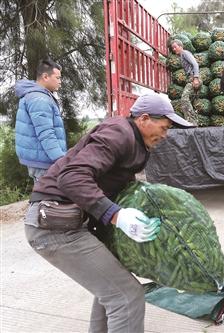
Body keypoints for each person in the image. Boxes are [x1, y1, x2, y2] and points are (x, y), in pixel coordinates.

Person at [24, 93, 194, 332]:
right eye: (164, 128)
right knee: (127, 297)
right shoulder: (119, 134)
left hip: (70, 223)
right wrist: (116, 215)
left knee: (111, 289)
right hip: (54, 225)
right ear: (144, 119)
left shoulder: (135, 141)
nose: (165, 135)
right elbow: (72, 177)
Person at [15, 58, 66, 182]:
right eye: (58, 78)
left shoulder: (37, 95)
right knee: (46, 198)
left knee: (44, 196)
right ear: (45, 77)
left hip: (41, 158)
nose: (60, 82)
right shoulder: (39, 99)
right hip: (44, 161)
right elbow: (46, 133)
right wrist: (61, 160)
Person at [171, 39, 201, 126]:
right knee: (192, 101)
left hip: (194, 79)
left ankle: (192, 122)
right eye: (173, 48)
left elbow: (195, 64)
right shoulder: (182, 55)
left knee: (184, 99)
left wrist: (195, 78)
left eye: (175, 47)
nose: (174, 49)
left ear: (180, 46)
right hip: (191, 78)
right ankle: (195, 122)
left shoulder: (185, 53)